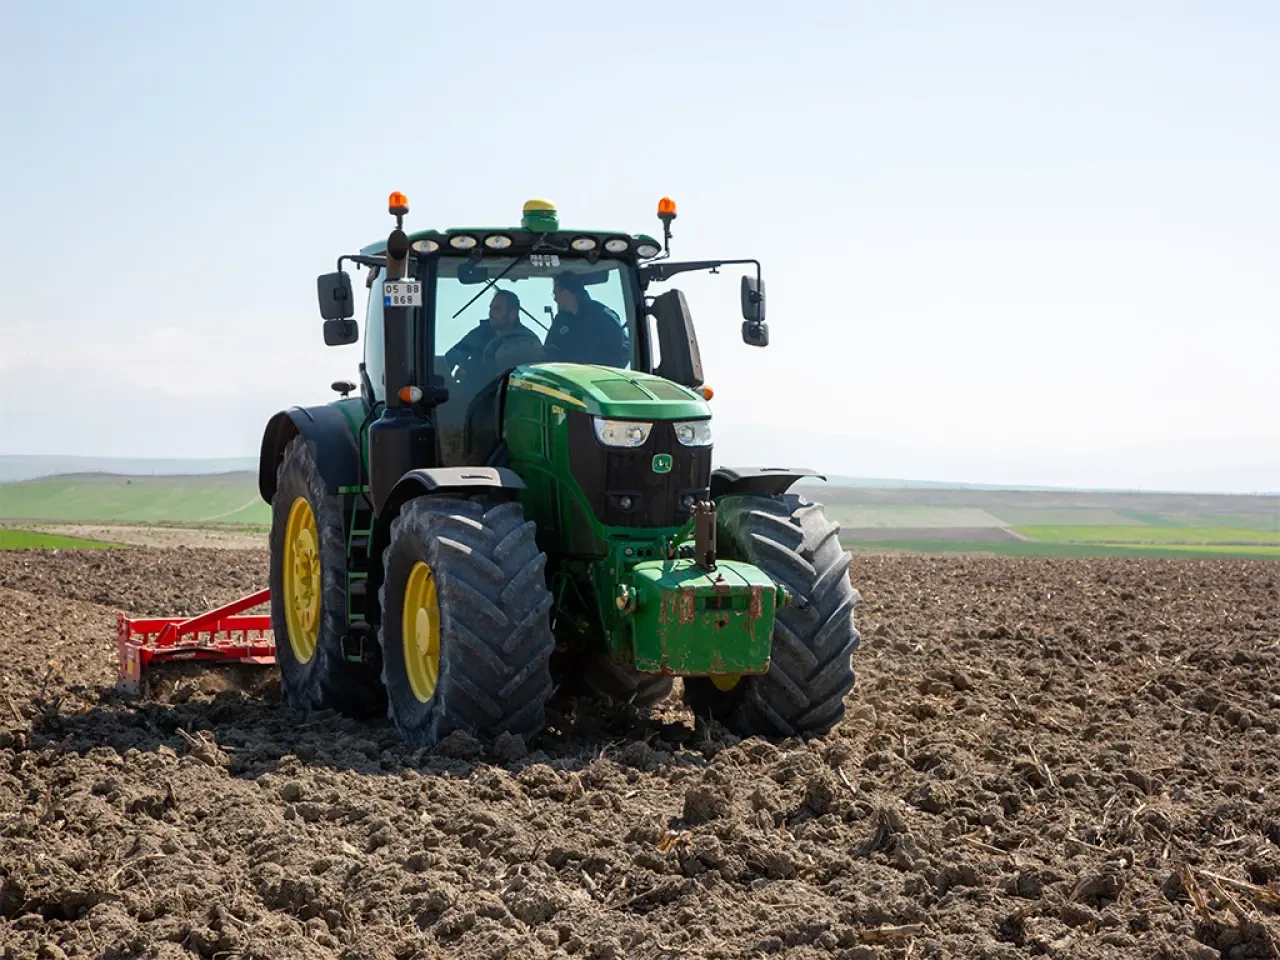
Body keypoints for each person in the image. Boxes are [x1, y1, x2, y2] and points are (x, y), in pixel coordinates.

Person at [542, 272, 630, 368]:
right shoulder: (560, 320)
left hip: (595, 378)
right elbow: (548, 352)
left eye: (555, 294)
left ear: (566, 292)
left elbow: (623, 351)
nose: (555, 299)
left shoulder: (602, 316)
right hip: (565, 378)